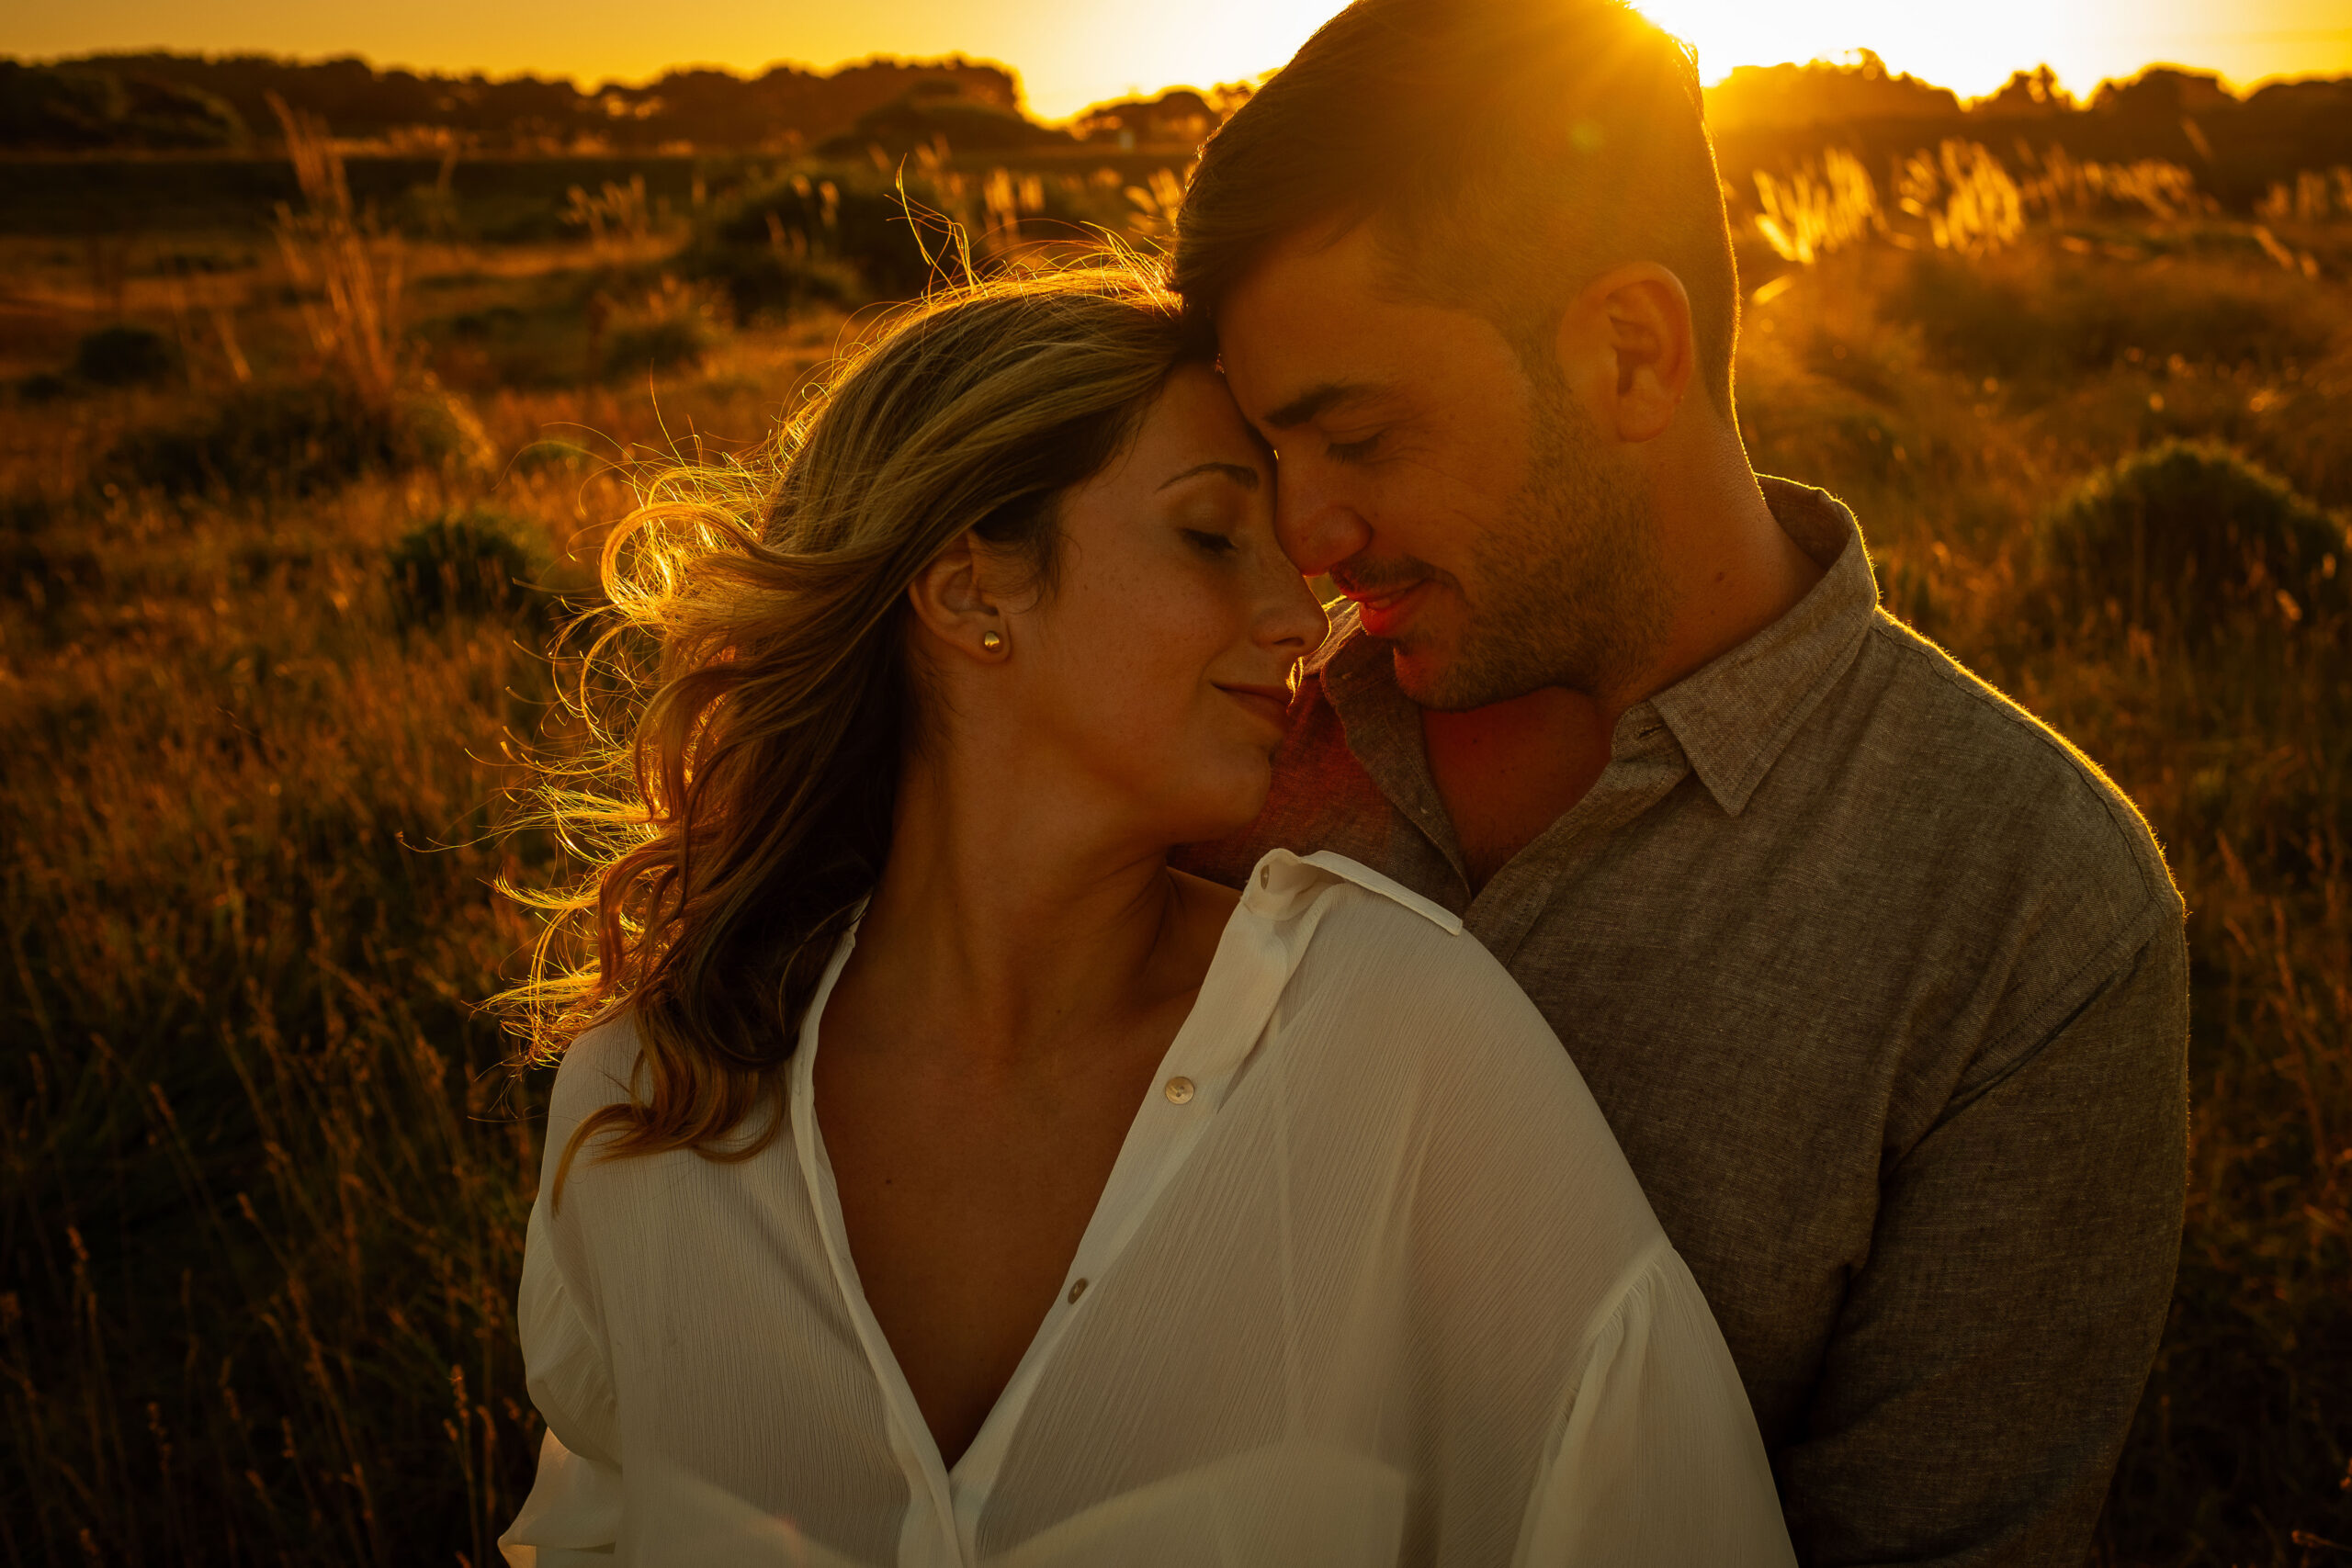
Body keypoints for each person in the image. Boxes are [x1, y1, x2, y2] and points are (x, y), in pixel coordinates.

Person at [494, 264, 1796, 1567]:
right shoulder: (646, 1111)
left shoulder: (1405, 1045)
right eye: (1211, 535)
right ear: (968, 591)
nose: (1304, 617)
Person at [1170, 1, 2190, 1562]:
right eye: (1265, 458)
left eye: (1359, 437)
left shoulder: (2031, 908)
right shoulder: (1214, 725)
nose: (1305, 538)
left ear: (1633, 352)